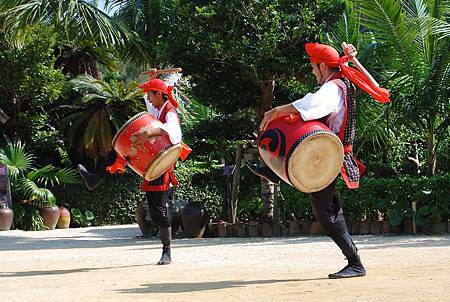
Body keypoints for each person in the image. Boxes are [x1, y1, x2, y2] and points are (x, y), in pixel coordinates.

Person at [248, 42, 390, 279]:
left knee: (326, 212)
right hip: (327, 154)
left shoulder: (333, 88)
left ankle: (355, 263)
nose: (313, 72)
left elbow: (313, 105)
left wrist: (276, 111)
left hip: (330, 155)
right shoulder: (339, 84)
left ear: (323, 66)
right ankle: (277, 173)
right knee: (325, 207)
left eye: (314, 67)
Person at [79, 76, 187, 265]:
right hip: (153, 159)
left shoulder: (170, 112)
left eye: (151, 95)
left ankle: (167, 251)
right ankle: (96, 178)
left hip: (162, 162)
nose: (149, 99)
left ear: (159, 95)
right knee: (119, 153)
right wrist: (153, 78)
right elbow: (150, 108)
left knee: (159, 210)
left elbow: (175, 134)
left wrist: (149, 132)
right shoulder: (159, 108)